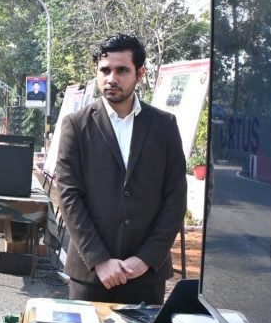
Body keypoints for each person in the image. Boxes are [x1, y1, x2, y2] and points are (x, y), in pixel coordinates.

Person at [55, 33, 187, 304]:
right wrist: (100, 260)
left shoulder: (164, 126)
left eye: (122, 70)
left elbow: (175, 197)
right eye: (105, 70)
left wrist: (147, 258)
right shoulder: (76, 126)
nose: (111, 78)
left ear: (140, 73)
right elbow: (69, 196)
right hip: (91, 275)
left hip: (146, 276)